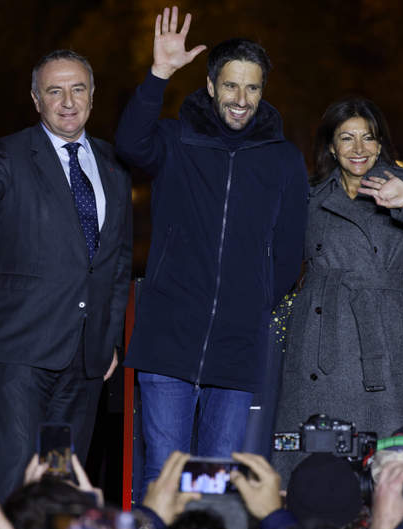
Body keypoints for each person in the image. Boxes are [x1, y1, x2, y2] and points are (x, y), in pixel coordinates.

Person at [115, 6, 308, 490]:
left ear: (263, 92)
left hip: (238, 346)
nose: (241, 99)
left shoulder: (283, 160)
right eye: (230, 85)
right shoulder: (175, 139)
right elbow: (128, 144)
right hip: (167, 338)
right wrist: (158, 73)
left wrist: (254, 300)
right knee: (164, 476)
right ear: (210, 85)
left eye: (252, 87)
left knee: (218, 483)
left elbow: (289, 251)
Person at [0, 49, 132, 501]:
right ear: (35, 99)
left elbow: (116, 265)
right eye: (54, 91)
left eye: (77, 89)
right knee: (16, 466)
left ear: (92, 95)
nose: (68, 101)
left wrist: (109, 341)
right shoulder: (9, 153)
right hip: (20, 347)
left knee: (63, 475)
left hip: (87, 356)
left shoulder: (112, 165)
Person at [273, 97, 403, 483]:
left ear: (381, 144)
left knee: (385, 460)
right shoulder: (310, 196)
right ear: (331, 146)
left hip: (379, 336)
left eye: (368, 138)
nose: (358, 149)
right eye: (346, 138)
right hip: (316, 333)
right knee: (311, 461)